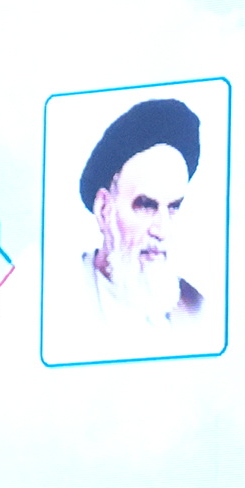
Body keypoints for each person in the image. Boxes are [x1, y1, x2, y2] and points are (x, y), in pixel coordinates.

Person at [67, 97, 208, 337]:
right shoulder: (57, 296)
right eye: (146, 206)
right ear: (104, 209)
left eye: (173, 208)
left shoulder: (196, 308)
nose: (161, 230)